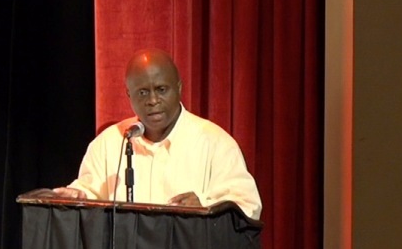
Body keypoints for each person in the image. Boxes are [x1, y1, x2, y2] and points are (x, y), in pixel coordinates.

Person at [53, 48, 262, 220]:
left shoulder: (215, 143)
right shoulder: (109, 144)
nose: (152, 100)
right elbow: (88, 194)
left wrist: (205, 208)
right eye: (142, 92)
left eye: (161, 89)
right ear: (128, 94)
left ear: (179, 88)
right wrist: (77, 197)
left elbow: (248, 207)